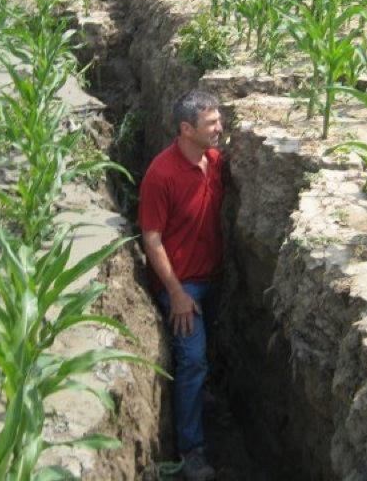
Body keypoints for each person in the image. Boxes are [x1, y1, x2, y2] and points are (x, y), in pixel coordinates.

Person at [138, 90, 224, 481]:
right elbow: (151, 237)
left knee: (204, 355)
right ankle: (190, 449)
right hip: (181, 284)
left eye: (219, 121)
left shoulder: (214, 162)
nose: (220, 128)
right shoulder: (162, 174)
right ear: (186, 129)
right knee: (191, 360)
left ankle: (201, 393)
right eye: (212, 123)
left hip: (212, 276)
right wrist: (175, 294)